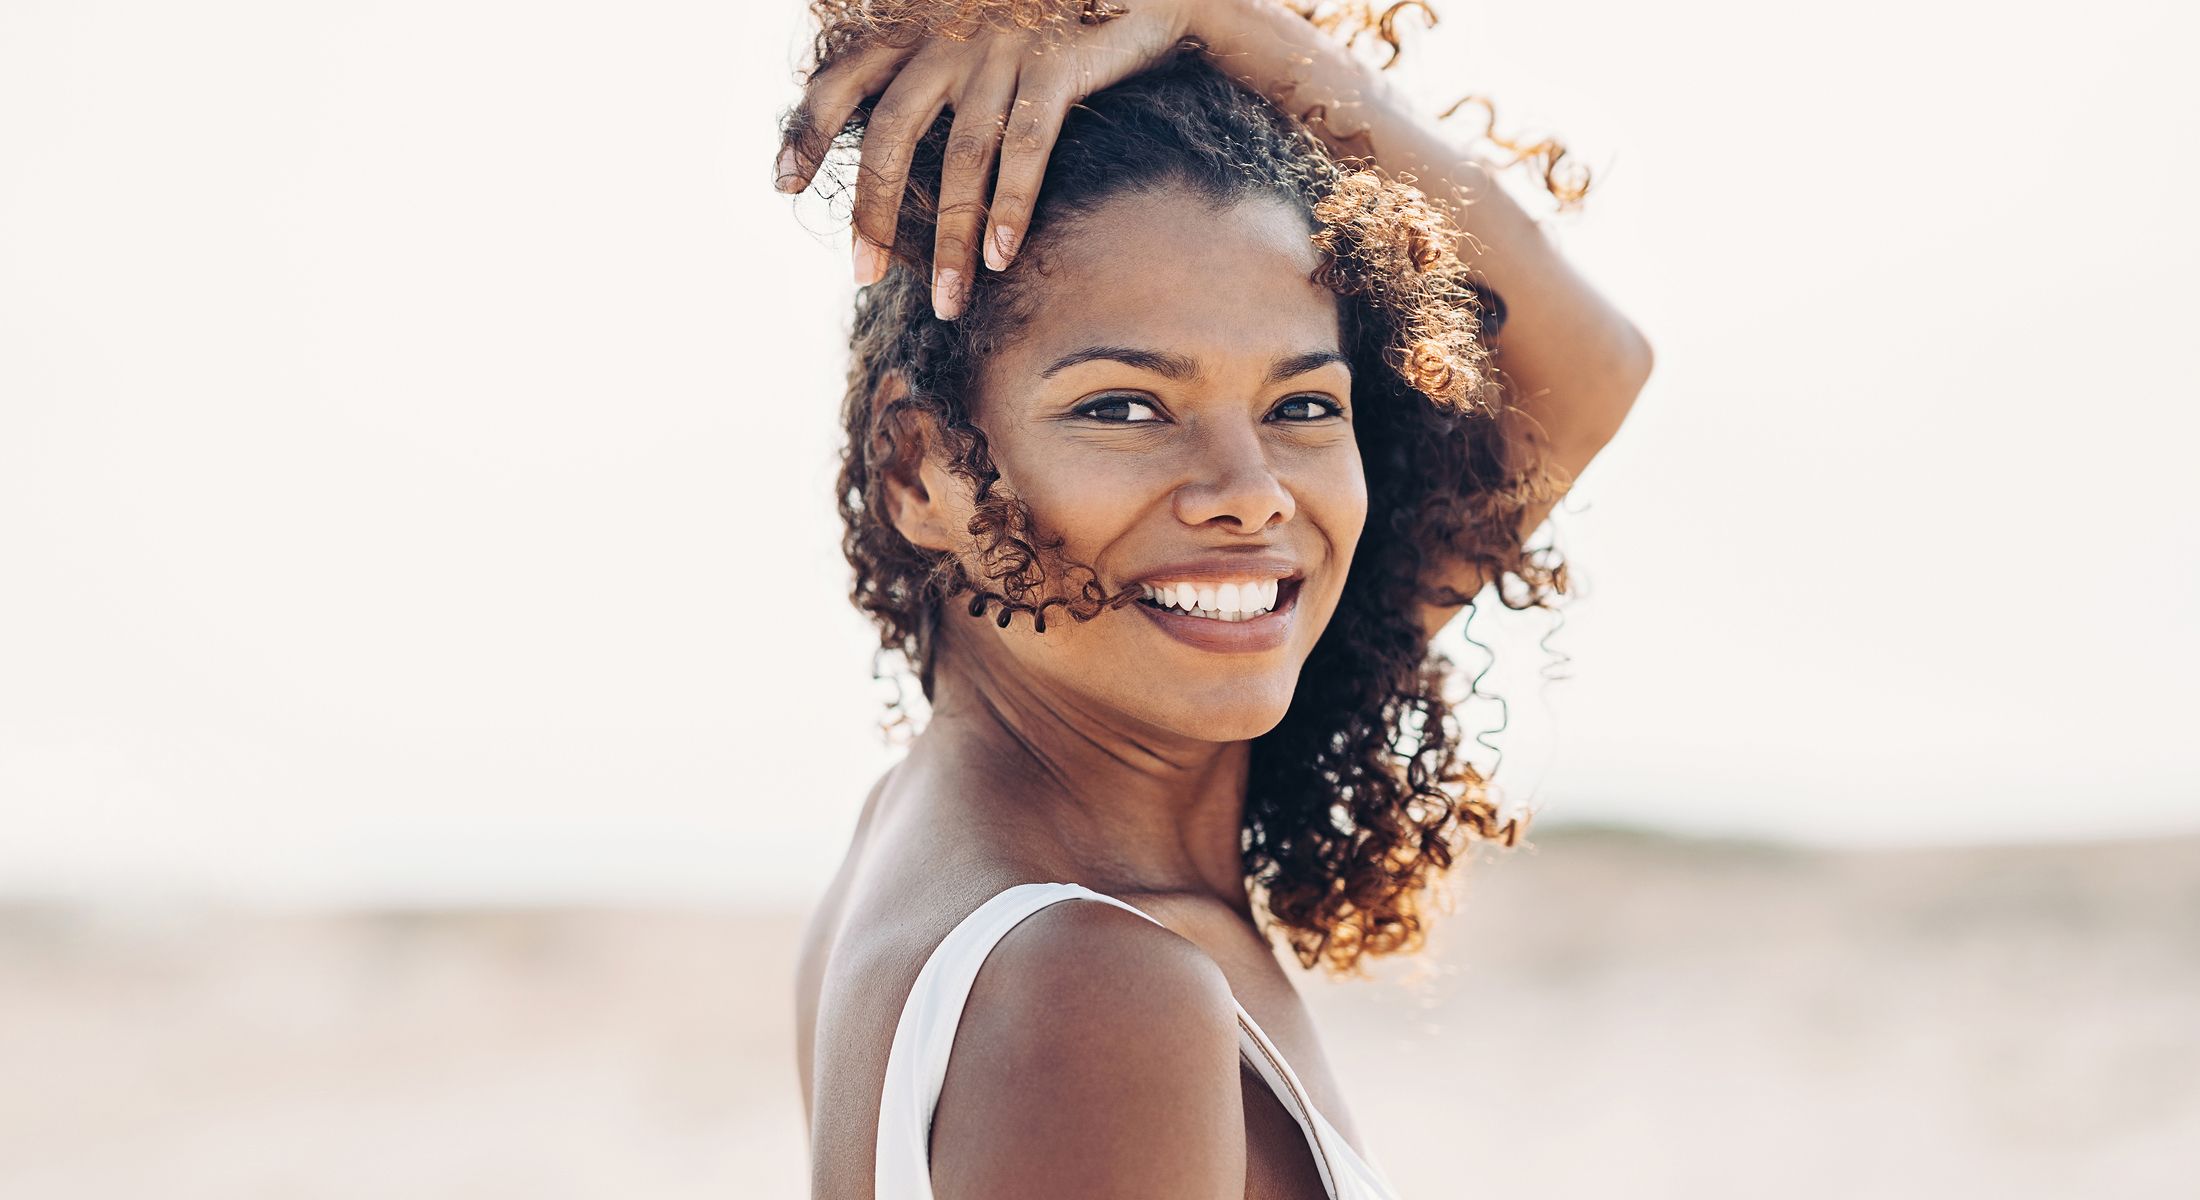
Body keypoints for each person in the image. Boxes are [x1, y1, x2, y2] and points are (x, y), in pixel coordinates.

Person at [771, 2, 1651, 1195]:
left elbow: (1588, 376)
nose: (1250, 497)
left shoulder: (941, 833)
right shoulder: (1092, 984)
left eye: (1300, 407)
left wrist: (1206, 21)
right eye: (1125, 408)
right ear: (917, 468)